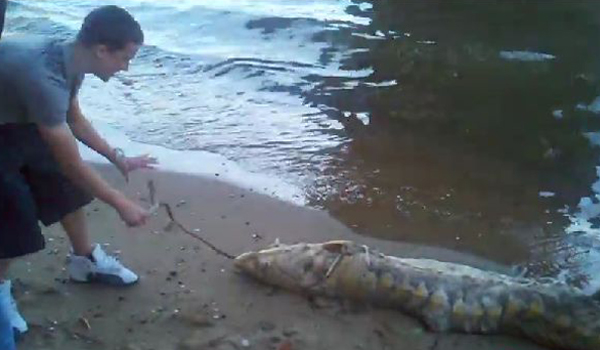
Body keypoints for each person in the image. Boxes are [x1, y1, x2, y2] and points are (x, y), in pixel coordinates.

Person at [0, 4, 157, 338]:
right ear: (102, 50)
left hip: (14, 114)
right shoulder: (42, 77)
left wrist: (118, 157)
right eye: (124, 58)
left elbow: (73, 118)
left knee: (62, 186)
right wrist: (120, 202)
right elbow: (71, 160)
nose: (126, 68)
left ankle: (84, 261)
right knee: (12, 220)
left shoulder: (69, 59)